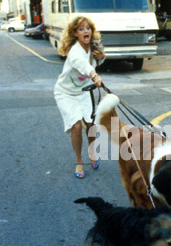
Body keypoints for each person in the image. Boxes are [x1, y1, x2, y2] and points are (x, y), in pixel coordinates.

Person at [54, 16, 105, 179]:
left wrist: (101, 57)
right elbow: (83, 65)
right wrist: (94, 74)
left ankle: (92, 152)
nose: (86, 31)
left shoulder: (92, 47)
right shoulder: (75, 51)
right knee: (76, 126)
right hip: (65, 93)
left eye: (88, 28)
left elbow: (95, 63)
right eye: (81, 29)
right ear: (75, 33)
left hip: (82, 92)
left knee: (90, 125)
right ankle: (78, 160)